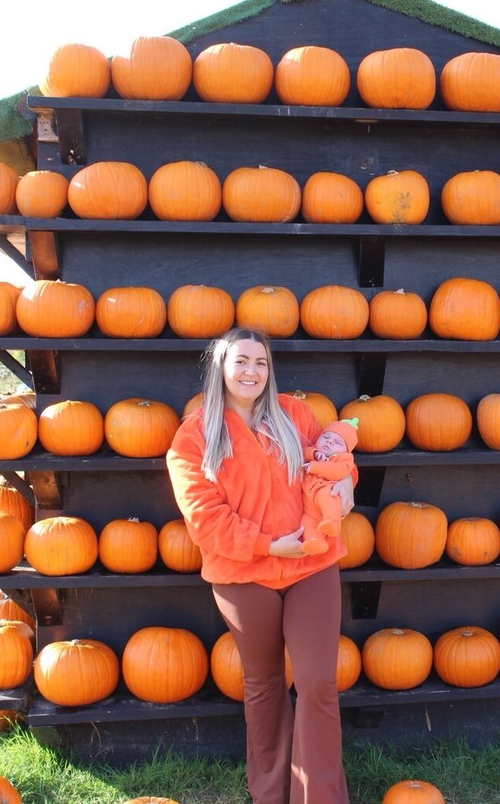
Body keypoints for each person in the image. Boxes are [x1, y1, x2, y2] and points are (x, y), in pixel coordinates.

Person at [166, 327, 355, 804]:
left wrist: (348, 478)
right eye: (242, 361)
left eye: (261, 363)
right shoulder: (194, 437)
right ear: (221, 368)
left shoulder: (295, 415)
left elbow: (329, 457)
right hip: (243, 572)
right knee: (265, 685)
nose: (252, 371)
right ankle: (271, 794)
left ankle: (320, 797)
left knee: (316, 682)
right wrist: (270, 546)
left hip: (311, 564)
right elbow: (205, 520)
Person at [300, 418, 359, 556]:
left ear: (346, 451)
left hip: (325, 490)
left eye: (338, 442)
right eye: (325, 437)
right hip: (308, 506)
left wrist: (315, 466)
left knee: (327, 497)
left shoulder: (344, 460)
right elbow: (302, 452)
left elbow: (337, 471)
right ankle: (315, 542)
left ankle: (332, 522)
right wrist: (314, 454)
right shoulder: (314, 453)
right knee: (306, 523)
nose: (330, 441)